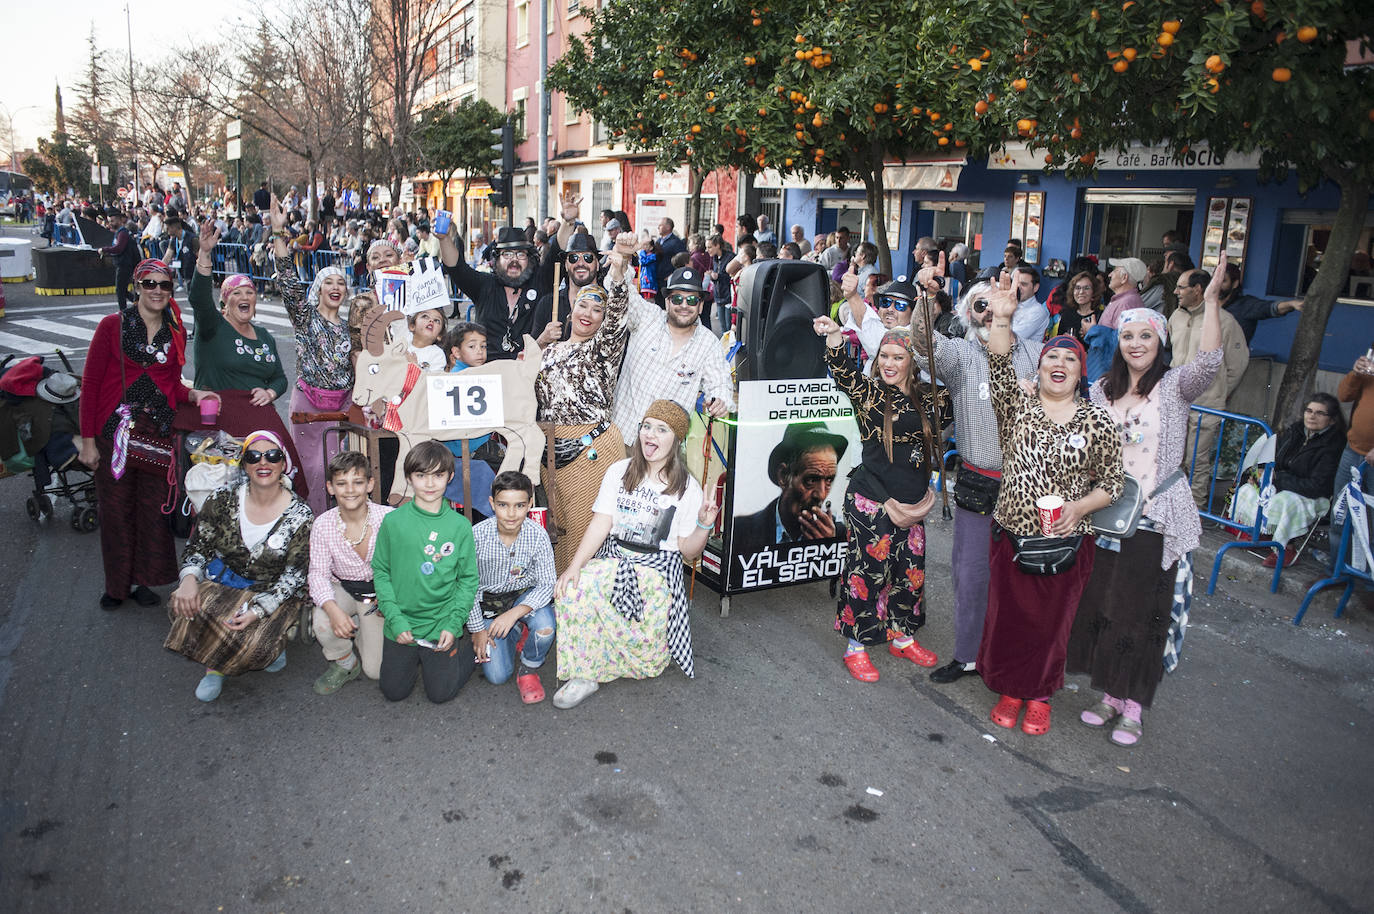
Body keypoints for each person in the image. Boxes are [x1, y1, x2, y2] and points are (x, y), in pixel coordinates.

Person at [1067, 285, 1226, 746]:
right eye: (1128, 336)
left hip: (1156, 515)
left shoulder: (1175, 386)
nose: (1136, 344)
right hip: (1107, 515)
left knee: (1145, 612)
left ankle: (1134, 705)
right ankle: (1110, 695)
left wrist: (1212, 302)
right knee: (1107, 605)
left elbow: (1211, 362)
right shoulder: (1101, 391)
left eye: (1146, 337)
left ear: (1159, 344)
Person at [977, 275, 1124, 735]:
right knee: (1010, 618)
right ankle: (1010, 687)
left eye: (1069, 359)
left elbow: (1114, 484)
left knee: (1052, 625)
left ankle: (1039, 694)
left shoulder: (1097, 420)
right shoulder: (1015, 406)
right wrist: (1002, 316)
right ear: (1039, 368)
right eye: (1051, 357)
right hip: (1012, 534)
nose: (1059, 364)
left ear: (1081, 373)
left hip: (1067, 542)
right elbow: (999, 363)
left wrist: (1080, 509)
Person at [551, 400, 717, 709]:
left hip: (658, 569)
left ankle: (628, 652)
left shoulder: (686, 487)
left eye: (662, 429)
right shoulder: (619, 471)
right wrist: (574, 566)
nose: (650, 435)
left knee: (648, 665)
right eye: (647, 426)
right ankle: (584, 673)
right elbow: (602, 522)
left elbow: (688, 551)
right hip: (616, 557)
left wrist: (703, 526)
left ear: (676, 439)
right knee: (572, 588)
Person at [913, 281, 1039, 685]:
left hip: (1029, 491)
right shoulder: (961, 356)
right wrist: (925, 296)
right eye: (980, 304)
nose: (989, 311)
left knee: (1022, 582)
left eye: (997, 304)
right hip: (976, 485)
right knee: (970, 576)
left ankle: (1013, 661)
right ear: (968, 313)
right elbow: (920, 341)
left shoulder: (1038, 355)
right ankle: (968, 655)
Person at [78, 259, 214, 610]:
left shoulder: (174, 332)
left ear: (171, 290)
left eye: (164, 284)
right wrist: (89, 441)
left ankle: (144, 581)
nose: (157, 290)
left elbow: (171, 385)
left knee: (153, 512)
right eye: (149, 283)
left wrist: (193, 394)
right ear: (137, 286)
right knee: (115, 511)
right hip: (114, 435)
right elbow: (91, 385)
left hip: (157, 435)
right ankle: (117, 585)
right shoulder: (113, 326)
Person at [812, 312, 940, 682]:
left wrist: (926, 489)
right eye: (883, 356)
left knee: (909, 574)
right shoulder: (870, 395)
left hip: (913, 505)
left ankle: (903, 636)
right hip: (873, 502)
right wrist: (835, 336)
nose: (889, 363)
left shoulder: (927, 399)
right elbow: (842, 370)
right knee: (867, 574)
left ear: (911, 362)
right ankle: (857, 646)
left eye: (898, 357)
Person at [165, 430, 315, 702]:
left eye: (272, 455)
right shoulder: (222, 498)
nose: (263, 463)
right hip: (225, 584)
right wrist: (187, 580)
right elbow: (199, 546)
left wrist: (258, 611)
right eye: (253, 456)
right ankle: (215, 668)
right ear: (244, 464)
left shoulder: (300, 514)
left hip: (270, 594)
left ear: (284, 463)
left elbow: (294, 577)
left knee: (255, 647)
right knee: (183, 606)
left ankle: (272, 641)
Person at [536, 238, 635, 571]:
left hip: (591, 451)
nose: (589, 314)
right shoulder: (549, 352)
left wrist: (618, 271)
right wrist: (538, 343)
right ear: (572, 309)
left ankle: (587, 611)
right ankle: (564, 608)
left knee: (587, 537)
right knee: (559, 534)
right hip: (550, 455)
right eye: (583, 305)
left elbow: (617, 316)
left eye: (597, 309)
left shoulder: (602, 351)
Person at [189, 224, 306, 499]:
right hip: (220, 418)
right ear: (225, 302)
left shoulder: (264, 335)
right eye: (236, 293)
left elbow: (279, 376)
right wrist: (204, 256)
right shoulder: (212, 327)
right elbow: (198, 298)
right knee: (228, 488)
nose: (245, 297)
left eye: (249, 292)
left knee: (283, 475)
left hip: (259, 417)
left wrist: (270, 392)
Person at [372, 440, 485, 703]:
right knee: (393, 692)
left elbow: (468, 580)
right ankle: (417, 659)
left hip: (441, 623)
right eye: (421, 475)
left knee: (441, 694)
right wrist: (395, 619)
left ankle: (465, 646)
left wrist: (453, 623)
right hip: (402, 624)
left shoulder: (460, 526)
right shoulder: (392, 521)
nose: (430, 484)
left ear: (450, 476)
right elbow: (381, 571)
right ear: (409, 478)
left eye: (438, 475)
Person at [268, 197, 353, 514]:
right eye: (328, 281)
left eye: (341, 282)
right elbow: (289, 284)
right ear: (318, 288)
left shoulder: (350, 328)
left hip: (343, 409)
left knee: (339, 473)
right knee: (313, 475)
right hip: (308, 408)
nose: (335, 286)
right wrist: (279, 234)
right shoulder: (304, 317)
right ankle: (313, 535)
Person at [610, 259, 734, 445]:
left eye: (692, 300)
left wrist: (720, 401)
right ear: (667, 302)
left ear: (701, 306)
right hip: (620, 438)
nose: (684, 305)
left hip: (664, 451)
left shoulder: (708, 344)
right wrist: (622, 261)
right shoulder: (646, 318)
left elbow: (720, 384)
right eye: (677, 299)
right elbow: (618, 290)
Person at [307, 452, 393, 695]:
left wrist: (390, 596)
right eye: (341, 483)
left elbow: (404, 565)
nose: (350, 490)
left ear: (370, 484)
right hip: (343, 588)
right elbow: (317, 574)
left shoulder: (389, 518)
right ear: (330, 488)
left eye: (357, 482)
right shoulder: (323, 525)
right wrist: (333, 611)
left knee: (376, 671)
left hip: (379, 593)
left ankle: (361, 626)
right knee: (323, 622)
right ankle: (345, 662)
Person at [1231, 392, 1345, 569]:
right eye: (1309, 410)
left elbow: (1318, 486)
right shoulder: (1296, 431)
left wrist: (1280, 479)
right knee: (1248, 489)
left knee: (1285, 501)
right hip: (1284, 483)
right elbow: (1274, 460)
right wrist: (1261, 473)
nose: (1312, 416)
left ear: (1332, 420)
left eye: (1320, 413)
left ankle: (1286, 548)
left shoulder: (1334, 445)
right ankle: (1262, 532)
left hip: (1310, 494)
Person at [471, 471, 557, 703]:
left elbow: (548, 583)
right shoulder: (476, 536)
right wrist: (477, 629)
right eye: (503, 505)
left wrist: (514, 614)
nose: (511, 514)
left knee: (545, 627)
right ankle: (515, 631)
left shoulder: (538, 535)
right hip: (488, 604)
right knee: (498, 676)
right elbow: (466, 587)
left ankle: (529, 667)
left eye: (519, 505)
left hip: (522, 598)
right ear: (491, 503)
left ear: (530, 503)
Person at [1168, 268, 1249, 507]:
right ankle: (1171, 504)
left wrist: (1217, 392)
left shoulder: (1224, 321)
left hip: (1206, 405)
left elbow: (1237, 365)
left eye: (1181, 287)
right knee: (1172, 457)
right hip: (1176, 400)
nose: (1176, 291)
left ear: (1198, 290)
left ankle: (1194, 508)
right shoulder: (1176, 317)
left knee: (1196, 460)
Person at [438, 222, 555, 360]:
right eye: (507, 254)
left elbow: (555, 255)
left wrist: (568, 222)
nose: (514, 260)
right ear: (497, 259)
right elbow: (457, 268)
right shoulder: (484, 285)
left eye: (520, 254)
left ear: (529, 259)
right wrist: (444, 238)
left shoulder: (539, 283)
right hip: (488, 371)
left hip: (528, 370)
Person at [733, 422, 847, 550]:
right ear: (783, 476)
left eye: (829, 480)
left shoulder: (840, 534)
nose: (821, 494)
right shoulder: (741, 531)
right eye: (810, 480)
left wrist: (828, 549)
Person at [1328, 355, 1374, 570]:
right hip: (1353, 450)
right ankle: (1337, 570)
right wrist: (1356, 373)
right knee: (1341, 513)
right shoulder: (1368, 373)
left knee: (1371, 524)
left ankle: (1368, 584)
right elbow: (1344, 395)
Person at [1219, 262, 1302, 344]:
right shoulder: (1208, 304)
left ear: (1235, 284)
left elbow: (1270, 308)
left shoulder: (1245, 305)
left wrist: (1291, 304)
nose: (1217, 284)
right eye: (1215, 280)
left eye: (1223, 281)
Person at [98, 215, 140, 312]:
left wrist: (105, 250)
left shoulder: (122, 234)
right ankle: (137, 303)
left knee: (120, 290)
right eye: (109, 221)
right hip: (123, 264)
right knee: (122, 290)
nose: (111, 223)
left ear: (120, 220)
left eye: (113, 221)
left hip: (124, 264)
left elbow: (119, 248)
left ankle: (123, 311)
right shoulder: (120, 233)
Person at [1055, 271, 1102, 343]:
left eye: (1086, 288)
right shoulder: (1066, 315)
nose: (1081, 292)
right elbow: (1057, 343)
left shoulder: (1100, 317)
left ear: (1094, 292)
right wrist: (1063, 340)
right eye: (1077, 288)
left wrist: (1091, 334)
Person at [707, 233, 735, 334]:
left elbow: (732, 277)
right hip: (718, 297)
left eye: (710, 247)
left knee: (729, 327)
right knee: (723, 327)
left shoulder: (730, 257)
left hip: (728, 297)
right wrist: (713, 277)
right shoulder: (714, 259)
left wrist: (718, 276)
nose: (707, 250)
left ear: (717, 245)